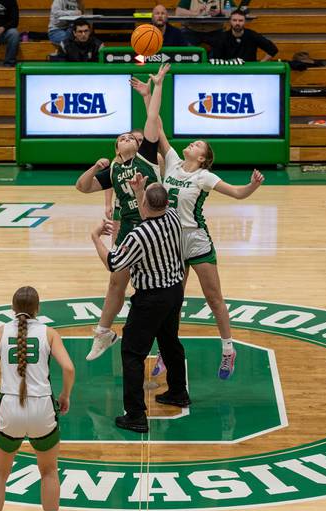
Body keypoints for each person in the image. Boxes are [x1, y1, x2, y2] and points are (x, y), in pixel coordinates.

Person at [130, 74, 264, 380]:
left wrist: (252, 185)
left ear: (203, 158)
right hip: (170, 241)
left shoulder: (204, 177)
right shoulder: (174, 162)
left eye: (196, 145)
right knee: (172, 301)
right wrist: (147, 94)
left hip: (195, 240)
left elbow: (238, 193)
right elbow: (157, 128)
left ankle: (229, 350)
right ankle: (166, 352)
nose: (190, 145)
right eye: (192, 143)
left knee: (214, 298)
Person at [75, 65, 169, 362]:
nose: (129, 137)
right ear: (117, 148)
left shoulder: (147, 157)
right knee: (117, 280)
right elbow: (81, 187)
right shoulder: (114, 168)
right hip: (129, 227)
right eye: (124, 137)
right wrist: (94, 166)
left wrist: (154, 88)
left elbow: (152, 117)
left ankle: (165, 343)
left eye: (132, 136)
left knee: (156, 285)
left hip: (154, 224)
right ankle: (104, 332)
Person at [0, 286, 75, 511]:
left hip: (10, 407)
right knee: (49, 471)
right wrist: (65, 395)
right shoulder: (49, 333)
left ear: (12, 308)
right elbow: (69, 369)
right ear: (37, 309)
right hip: (42, 407)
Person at [91, 181, 187, 433]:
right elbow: (151, 210)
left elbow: (113, 263)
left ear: (144, 204)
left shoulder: (138, 236)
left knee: (132, 354)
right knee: (170, 342)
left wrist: (95, 238)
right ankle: (178, 392)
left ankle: (135, 415)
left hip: (151, 299)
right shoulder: (174, 217)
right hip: (175, 291)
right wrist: (139, 191)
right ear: (166, 203)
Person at [211, 9, 278, 62]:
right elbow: (216, 59)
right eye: (234, 20)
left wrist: (262, 63)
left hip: (248, 72)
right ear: (230, 21)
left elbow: (273, 49)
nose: (237, 23)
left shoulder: (252, 35)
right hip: (229, 71)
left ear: (244, 22)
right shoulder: (222, 37)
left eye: (240, 20)